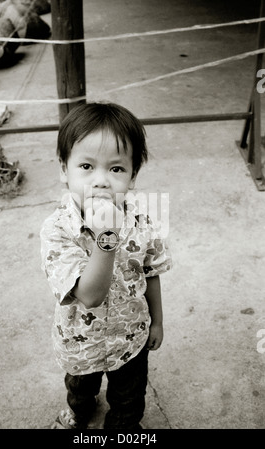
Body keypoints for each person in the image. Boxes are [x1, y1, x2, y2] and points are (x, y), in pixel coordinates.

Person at [40, 102, 172, 430]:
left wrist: (157, 322)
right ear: (64, 169)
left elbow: (150, 273)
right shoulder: (57, 230)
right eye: (86, 166)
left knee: (129, 399)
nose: (101, 181)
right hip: (80, 341)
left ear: (133, 175)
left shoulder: (143, 222)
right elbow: (90, 295)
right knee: (80, 388)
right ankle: (79, 411)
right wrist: (106, 237)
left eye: (116, 169)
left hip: (130, 337)